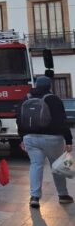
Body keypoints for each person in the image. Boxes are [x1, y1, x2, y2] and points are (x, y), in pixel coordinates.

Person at [17, 76, 74, 208]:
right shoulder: (54, 99)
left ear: (36, 85)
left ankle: (35, 197)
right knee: (58, 166)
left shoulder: (26, 98)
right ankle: (63, 195)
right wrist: (69, 140)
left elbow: (19, 119)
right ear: (49, 86)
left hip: (30, 138)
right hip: (53, 139)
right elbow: (62, 121)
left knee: (36, 165)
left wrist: (22, 138)